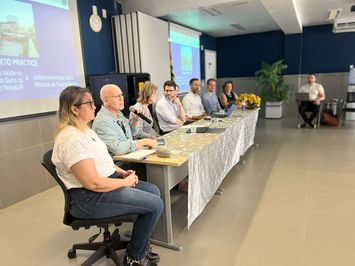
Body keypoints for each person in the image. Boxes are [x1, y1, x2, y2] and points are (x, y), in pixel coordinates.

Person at [51, 86, 163, 266]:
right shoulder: (71, 139)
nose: (95, 106)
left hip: (106, 182)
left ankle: (140, 245)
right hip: (90, 198)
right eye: (89, 103)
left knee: (153, 190)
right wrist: (124, 182)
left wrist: (121, 172)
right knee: (155, 204)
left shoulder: (85, 130)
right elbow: (93, 183)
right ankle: (135, 257)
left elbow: (102, 159)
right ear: (74, 109)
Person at [92, 84, 157, 155]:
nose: (121, 99)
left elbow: (133, 133)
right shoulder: (102, 121)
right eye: (117, 96)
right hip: (118, 162)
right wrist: (144, 142)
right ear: (106, 101)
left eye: (121, 95)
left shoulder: (119, 114)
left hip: (131, 156)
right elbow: (117, 149)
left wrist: (135, 119)